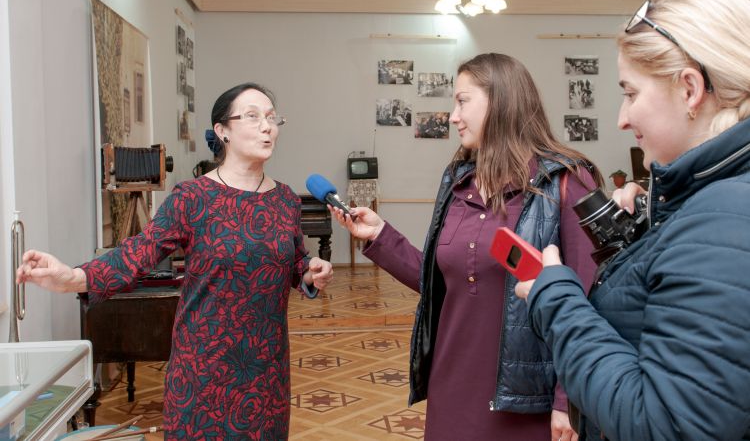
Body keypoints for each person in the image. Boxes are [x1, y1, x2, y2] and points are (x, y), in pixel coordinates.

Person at [16, 82, 334, 440]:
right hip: (203, 370)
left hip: (266, 371)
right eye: (253, 116)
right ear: (223, 131)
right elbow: (138, 253)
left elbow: (294, 263)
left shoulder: (285, 200)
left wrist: (310, 272)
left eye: (272, 118)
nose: (267, 127)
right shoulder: (193, 197)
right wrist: (73, 277)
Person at [515, 0, 750, 440]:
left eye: (631, 93)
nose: (622, 119)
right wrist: (652, 236)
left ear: (690, 89)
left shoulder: (724, 216)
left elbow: (667, 426)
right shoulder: (713, 205)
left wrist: (556, 300)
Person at [332, 53, 603, 440]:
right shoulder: (458, 181)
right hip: (451, 386)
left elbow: (588, 298)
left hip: (528, 401)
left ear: (501, 102)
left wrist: (568, 399)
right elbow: (441, 280)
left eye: (462, 101)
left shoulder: (566, 181)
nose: (453, 116)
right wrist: (379, 235)